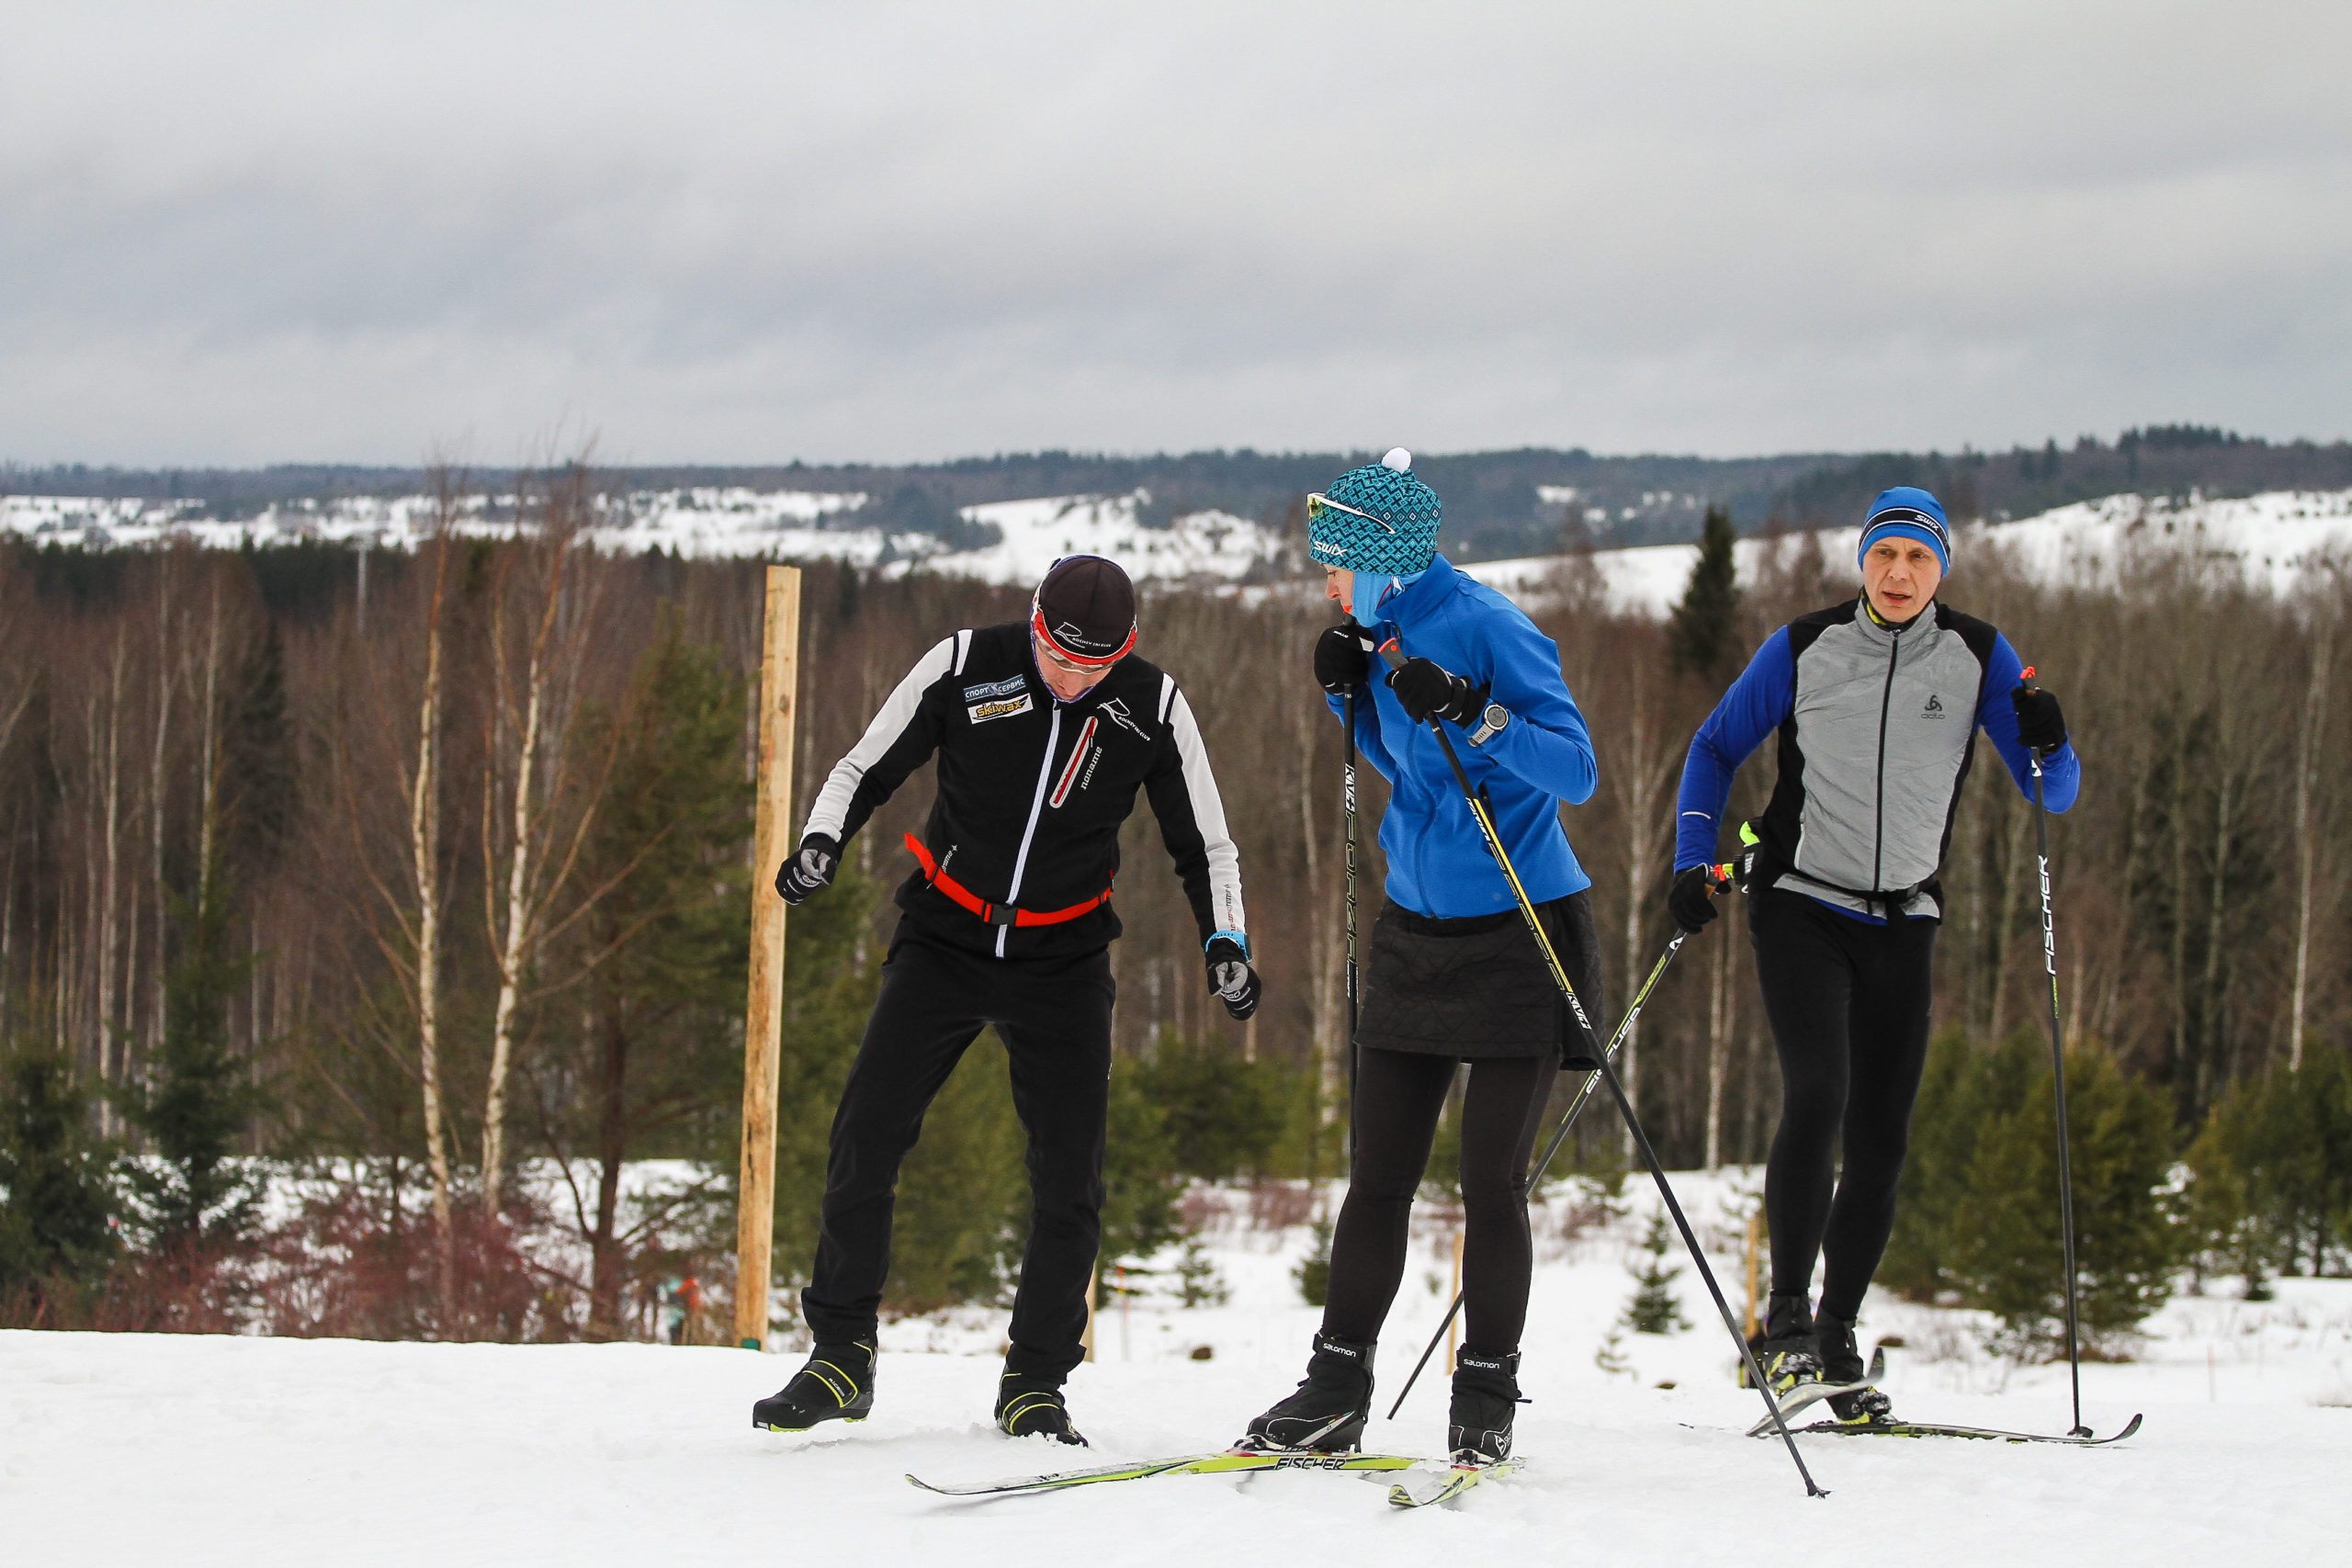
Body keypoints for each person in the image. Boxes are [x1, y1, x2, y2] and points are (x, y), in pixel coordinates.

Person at [751, 554, 1259, 1447]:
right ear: (1034, 627)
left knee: (1069, 1176)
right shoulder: (964, 663)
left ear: (1121, 652)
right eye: (1060, 659)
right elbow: (862, 765)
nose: (1073, 678)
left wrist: (1226, 941)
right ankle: (841, 1354)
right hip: (945, 934)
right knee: (866, 1134)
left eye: (1094, 666)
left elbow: (1207, 848)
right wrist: (823, 842)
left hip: (1062, 957)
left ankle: (1034, 1381)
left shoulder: (1152, 707)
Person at [1666, 486, 2080, 1423]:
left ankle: (1839, 1333)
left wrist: (2051, 738)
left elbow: (2051, 794)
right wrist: (1695, 859)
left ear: (1942, 568)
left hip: (1905, 918)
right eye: (1885, 556)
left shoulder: (1978, 656)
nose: (1899, 575)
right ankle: (1783, 1330)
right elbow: (1713, 746)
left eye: (1919, 559)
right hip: (1801, 904)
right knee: (1818, 1092)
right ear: (1863, 561)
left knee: (1883, 1136)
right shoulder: (1805, 646)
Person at [1237, 448, 1600, 1465]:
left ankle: (1483, 1397)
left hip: (1520, 927)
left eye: (1334, 564)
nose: (1324, 583)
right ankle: (1334, 1387)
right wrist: (1344, 697)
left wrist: (1474, 711)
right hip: (1414, 928)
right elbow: (1404, 766)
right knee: (1378, 1177)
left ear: (1382, 558)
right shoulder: (1382, 630)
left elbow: (1575, 769)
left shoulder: (1489, 625)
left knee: (1489, 1182)